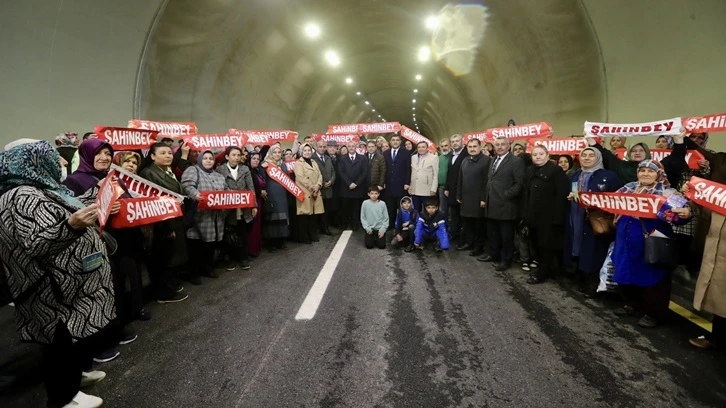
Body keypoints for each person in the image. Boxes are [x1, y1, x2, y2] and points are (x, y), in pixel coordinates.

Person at [0, 140, 113, 408]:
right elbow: (37, 244)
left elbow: (63, 210)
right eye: (51, 157)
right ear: (35, 161)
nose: (59, 162)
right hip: (50, 288)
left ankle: (75, 378)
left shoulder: (40, 190)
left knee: (70, 341)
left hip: (64, 286)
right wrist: (72, 227)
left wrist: (94, 196)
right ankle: (64, 397)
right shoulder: (22, 196)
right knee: (59, 344)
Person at [612, 159, 693, 328]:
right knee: (626, 271)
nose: (645, 174)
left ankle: (653, 312)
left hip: (651, 241)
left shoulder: (668, 193)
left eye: (650, 171)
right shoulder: (628, 188)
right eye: (642, 170)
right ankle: (632, 304)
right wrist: (580, 198)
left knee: (653, 277)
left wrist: (686, 213)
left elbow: (681, 216)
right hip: (625, 241)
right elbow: (608, 202)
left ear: (659, 174)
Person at [683, 132, 726, 349]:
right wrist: (694, 193)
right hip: (718, 233)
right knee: (720, 295)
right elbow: (707, 208)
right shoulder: (720, 160)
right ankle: (716, 338)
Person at [565, 147, 622, 295]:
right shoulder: (575, 175)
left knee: (594, 250)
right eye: (584, 155)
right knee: (577, 246)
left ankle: (593, 283)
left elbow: (616, 199)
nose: (587, 158)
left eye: (591, 155)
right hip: (576, 215)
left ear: (598, 158)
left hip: (596, 220)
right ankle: (580, 278)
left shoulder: (609, 176)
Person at [138, 143, 189, 303]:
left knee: (171, 254)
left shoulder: (167, 171)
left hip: (174, 219)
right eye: (163, 153)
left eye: (169, 152)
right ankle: (164, 293)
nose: (168, 155)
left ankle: (169, 286)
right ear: (152, 156)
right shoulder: (148, 173)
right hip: (162, 223)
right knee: (163, 258)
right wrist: (164, 227)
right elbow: (153, 203)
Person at [522, 146, 570, 284]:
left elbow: (562, 197)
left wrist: (558, 219)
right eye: (535, 154)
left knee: (546, 247)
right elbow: (526, 194)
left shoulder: (557, 172)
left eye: (541, 154)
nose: (538, 157)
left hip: (549, 218)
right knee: (536, 244)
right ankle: (547, 269)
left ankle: (543, 273)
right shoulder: (530, 170)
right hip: (532, 216)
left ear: (548, 155)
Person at [181, 150, 228, 284]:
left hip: (216, 217)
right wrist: (195, 194)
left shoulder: (218, 176)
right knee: (196, 246)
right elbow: (186, 185)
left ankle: (207, 268)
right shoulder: (193, 170)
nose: (208, 160)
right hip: (199, 216)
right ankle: (193, 273)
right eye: (205, 158)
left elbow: (226, 190)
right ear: (199, 159)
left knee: (210, 245)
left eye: (211, 158)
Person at [480, 136, 525, 271]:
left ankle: (506, 260)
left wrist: (505, 195)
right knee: (493, 233)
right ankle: (493, 254)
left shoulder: (516, 161)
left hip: (506, 205)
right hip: (491, 203)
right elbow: (490, 180)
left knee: (506, 236)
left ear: (508, 146)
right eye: (497, 144)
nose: (499, 147)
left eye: (502, 144)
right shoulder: (493, 159)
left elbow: (519, 184)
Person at [215, 146, 256, 271]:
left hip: (243, 208)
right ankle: (231, 259)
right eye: (233, 155)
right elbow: (218, 188)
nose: (236, 158)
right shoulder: (220, 170)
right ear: (227, 157)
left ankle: (243, 258)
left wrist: (254, 205)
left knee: (243, 233)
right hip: (228, 209)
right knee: (230, 234)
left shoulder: (245, 169)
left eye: (238, 155)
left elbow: (251, 188)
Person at [456, 138, 490, 256]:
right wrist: (458, 194)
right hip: (466, 198)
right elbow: (460, 178)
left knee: (478, 225)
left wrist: (483, 198)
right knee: (467, 223)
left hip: (478, 199)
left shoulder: (486, 161)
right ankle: (469, 243)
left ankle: (478, 246)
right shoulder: (465, 160)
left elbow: (487, 181)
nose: (472, 149)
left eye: (474, 146)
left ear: (480, 147)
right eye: (470, 147)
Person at [261, 145, 291, 251]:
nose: (277, 154)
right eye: (275, 152)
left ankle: (280, 241)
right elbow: (262, 179)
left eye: (279, 152)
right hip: (271, 194)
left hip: (282, 196)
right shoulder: (265, 164)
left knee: (282, 217)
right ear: (270, 153)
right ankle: (271, 243)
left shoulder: (283, 165)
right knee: (272, 218)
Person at [294, 144, 325, 244]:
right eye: (305, 150)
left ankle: (313, 235)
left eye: (309, 150)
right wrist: (313, 187)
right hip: (305, 192)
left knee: (313, 216)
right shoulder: (299, 163)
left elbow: (320, 175)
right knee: (304, 216)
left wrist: (318, 185)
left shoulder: (314, 162)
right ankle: (304, 237)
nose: (307, 152)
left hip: (315, 191)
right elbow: (301, 178)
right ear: (301, 152)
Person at [337, 140, 368, 230]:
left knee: (356, 207)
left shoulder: (362, 158)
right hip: (346, 187)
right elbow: (341, 172)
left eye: (353, 146)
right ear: (347, 147)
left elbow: (364, 172)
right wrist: (349, 183)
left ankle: (355, 224)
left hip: (358, 187)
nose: (351, 148)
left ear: (356, 147)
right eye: (349, 146)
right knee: (345, 207)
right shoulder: (342, 158)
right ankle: (345, 223)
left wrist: (356, 183)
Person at [383, 135, 412, 229]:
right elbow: (384, 169)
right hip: (389, 185)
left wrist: (407, 183)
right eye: (393, 140)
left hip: (401, 185)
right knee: (390, 207)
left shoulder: (406, 153)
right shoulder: (386, 153)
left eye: (397, 140)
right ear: (390, 142)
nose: (395, 142)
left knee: (401, 207)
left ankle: (401, 225)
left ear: (400, 142)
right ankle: (390, 225)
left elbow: (408, 169)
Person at [445, 134, 469, 241]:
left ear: (462, 142)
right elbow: (449, 173)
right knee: (454, 214)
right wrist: (447, 187)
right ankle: (454, 234)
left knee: (463, 215)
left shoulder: (467, 154)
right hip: (452, 190)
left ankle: (463, 237)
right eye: (453, 141)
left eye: (457, 141)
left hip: (464, 190)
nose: (455, 143)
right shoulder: (451, 155)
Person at [311, 140, 335, 236]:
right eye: (320, 146)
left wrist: (331, 181)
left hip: (328, 189)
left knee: (327, 211)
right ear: (316, 147)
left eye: (324, 147)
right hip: (318, 189)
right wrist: (321, 183)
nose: (322, 148)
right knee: (317, 211)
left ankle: (325, 228)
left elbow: (333, 171)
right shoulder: (312, 158)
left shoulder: (327, 158)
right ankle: (318, 229)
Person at [408, 141, 439, 212]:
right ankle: (417, 222)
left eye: (423, 147)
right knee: (416, 210)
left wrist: (434, 189)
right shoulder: (413, 157)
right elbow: (412, 172)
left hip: (427, 190)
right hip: (414, 189)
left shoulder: (433, 158)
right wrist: (410, 186)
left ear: (427, 148)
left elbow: (435, 174)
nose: (421, 149)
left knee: (427, 210)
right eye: (419, 147)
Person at [246, 152, 265, 257]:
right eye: (254, 158)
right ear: (249, 159)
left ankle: (256, 247)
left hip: (259, 200)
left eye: (258, 159)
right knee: (253, 225)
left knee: (257, 224)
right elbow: (250, 187)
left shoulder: (256, 171)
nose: (256, 160)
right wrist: (259, 192)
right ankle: (251, 249)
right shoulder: (247, 171)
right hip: (253, 200)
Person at [437, 138, 452, 216]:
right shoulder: (440, 158)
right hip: (441, 187)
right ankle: (444, 226)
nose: (444, 148)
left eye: (446, 145)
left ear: (450, 145)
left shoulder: (453, 156)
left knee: (452, 209)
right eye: (442, 146)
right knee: (443, 209)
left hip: (451, 187)